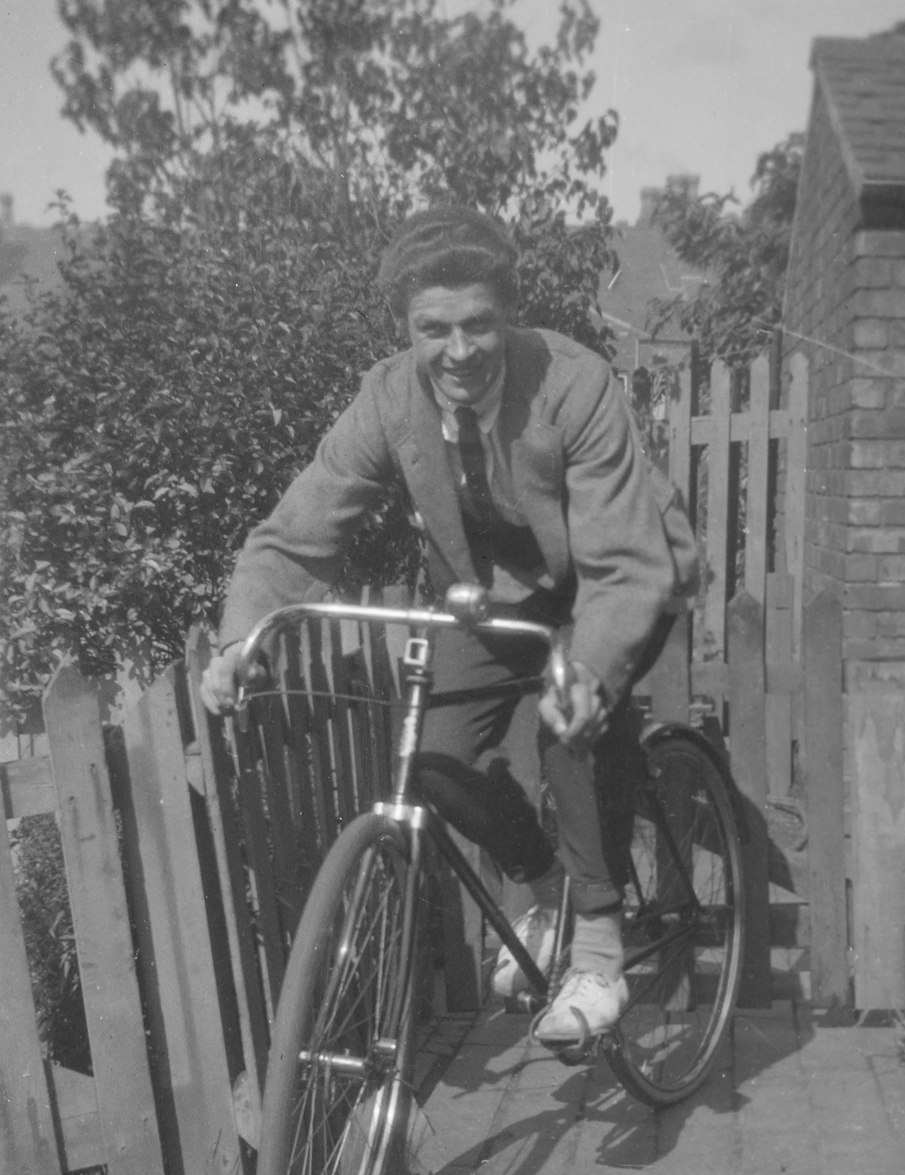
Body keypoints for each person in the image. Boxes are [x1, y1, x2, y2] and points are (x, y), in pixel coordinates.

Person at [200, 205, 697, 1045]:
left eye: (478, 324)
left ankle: (601, 952)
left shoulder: (574, 383)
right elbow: (297, 533)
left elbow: (620, 564)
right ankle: (543, 891)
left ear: (507, 314)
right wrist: (244, 636)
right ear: (406, 325)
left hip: (615, 573)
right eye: (435, 328)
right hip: (490, 591)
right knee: (431, 760)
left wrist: (588, 667)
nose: (459, 351)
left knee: (569, 723)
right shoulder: (388, 397)